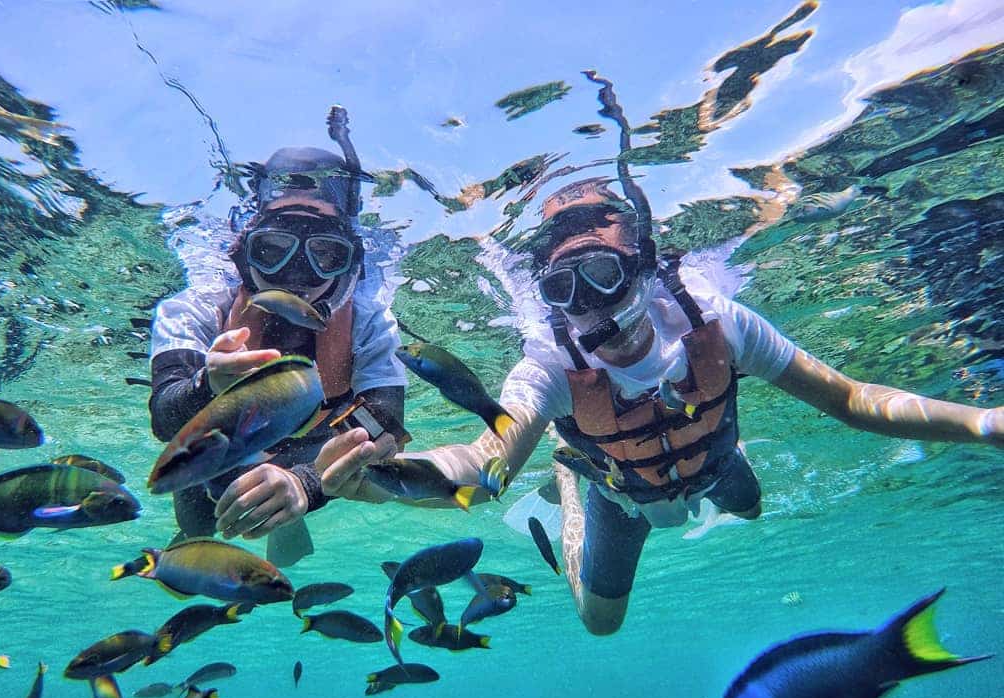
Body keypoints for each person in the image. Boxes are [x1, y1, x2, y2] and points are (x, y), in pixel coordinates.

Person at [315, 175, 1004, 635]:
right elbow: (485, 458)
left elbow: (853, 399)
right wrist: (384, 482)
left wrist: (986, 424)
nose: (586, 306)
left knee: (752, 508)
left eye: (604, 276)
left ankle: (619, 468)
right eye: (564, 290)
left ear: (643, 268)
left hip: (714, 461)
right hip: (621, 493)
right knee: (599, 622)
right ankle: (573, 480)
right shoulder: (551, 364)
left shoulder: (718, 323)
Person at [149, 110, 406, 567]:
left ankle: (285, 502)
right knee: (199, 525)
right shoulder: (200, 305)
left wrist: (305, 483)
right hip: (224, 447)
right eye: (273, 250)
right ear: (243, 253)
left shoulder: (368, 317)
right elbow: (167, 417)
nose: (297, 276)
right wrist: (207, 388)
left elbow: (385, 421)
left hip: (315, 444)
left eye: (325, 255)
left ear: (349, 263)